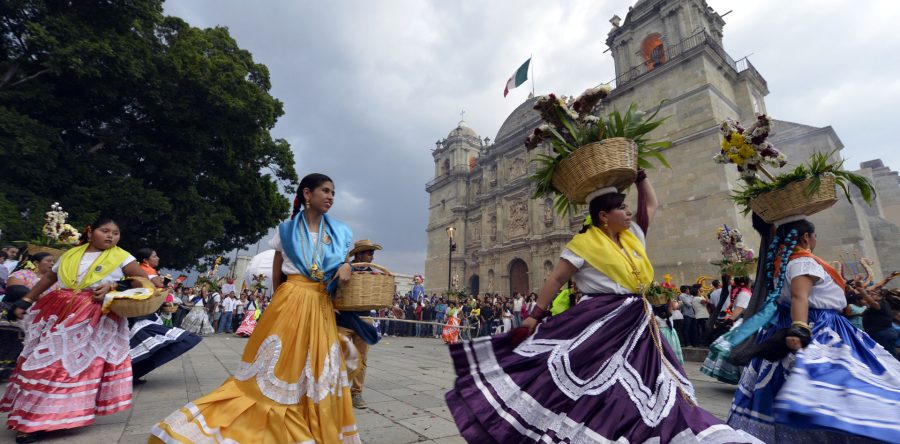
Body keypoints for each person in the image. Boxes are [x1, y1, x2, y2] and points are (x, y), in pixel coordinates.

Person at [445, 176, 759, 443]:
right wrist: (534, 315)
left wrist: (642, 177)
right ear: (604, 216)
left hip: (639, 319)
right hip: (600, 319)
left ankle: (641, 424)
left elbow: (650, 207)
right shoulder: (582, 244)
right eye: (622, 207)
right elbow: (555, 278)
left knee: (654, 380)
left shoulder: (632, 236)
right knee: (589, 376)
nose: (629, 212)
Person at [151, 173, 360, 443]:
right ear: (307, 194)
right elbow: (277, 275)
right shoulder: (286, 230)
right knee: (283, 364)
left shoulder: (338, 231)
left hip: (321, 303)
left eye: (333, 192)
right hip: (291, 299)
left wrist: (347, 265)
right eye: (326, 191)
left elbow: (342, 266)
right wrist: (279, 302)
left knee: (317, 365)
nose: (331, 197)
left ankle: (313, 421)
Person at [720, 218, 900, 442]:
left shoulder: (782, 264)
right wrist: (799, 329)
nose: (815, 240)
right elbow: (799, 296)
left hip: (800, 325)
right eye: (814, 236)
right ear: (807, 237)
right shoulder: (803, 262)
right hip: (819, 327)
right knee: (839, 386)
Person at [1, 218, 149, 443]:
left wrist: (115, 285)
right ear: (90, 232)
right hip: (58, 310)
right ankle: (39, 416)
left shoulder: (122, 257)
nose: (111, 236)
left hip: (92, 314)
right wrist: (26, 300)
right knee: (41, 361)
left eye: (115, 233)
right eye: (105, 231)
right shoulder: (70, 254)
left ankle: (36, 421)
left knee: (59, 365)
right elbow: (51, 277)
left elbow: (143, 280)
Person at [128, 248, 201, 383]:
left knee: (147, 347)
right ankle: (130, 374)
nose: (158, 258)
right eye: (154, 256)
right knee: (183, 340)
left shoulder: (141, 269)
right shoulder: (147, 270)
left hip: (142, 314)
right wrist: (166, 285)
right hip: (143, 316)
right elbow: (160, 286)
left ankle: (132, 374)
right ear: (145, 260)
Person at [335, 239, 383, 410]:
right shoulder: (345, 268)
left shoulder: (374, 274)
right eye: (369, 253)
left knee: (361, 359)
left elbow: (377, 295)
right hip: (344, 319)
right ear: (360, 254)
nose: (372, 257)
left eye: (372, 254)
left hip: (364, 319)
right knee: (339, 356)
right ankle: (336, 389)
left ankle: (356, 392)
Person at [701, 276, 752, 383]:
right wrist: (730, 320)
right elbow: (739, 308)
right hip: (744, 324)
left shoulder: (741, 292)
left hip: (744, 323)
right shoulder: (743, 293)